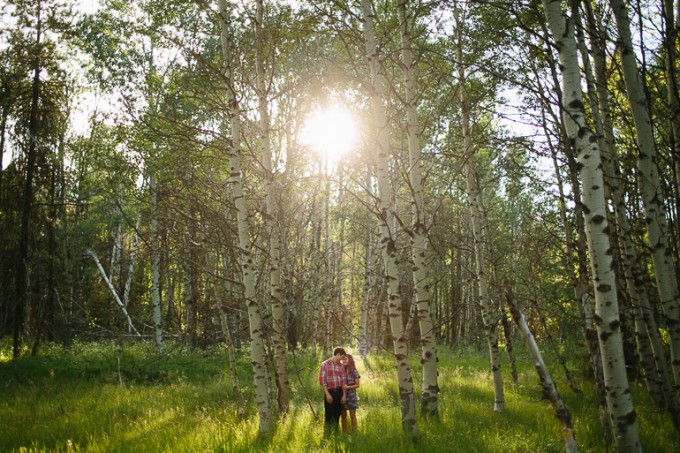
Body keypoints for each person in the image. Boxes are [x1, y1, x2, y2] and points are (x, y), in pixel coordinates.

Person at [319, 347, 347, 434]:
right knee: (329, 414)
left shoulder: (341, 366)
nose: (342, 359)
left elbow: (343, 381)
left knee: (337, 414)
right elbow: (322, 381)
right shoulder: (325, 364)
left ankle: (336, 432)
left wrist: (344, 395)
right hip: (329, 392)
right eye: (342, 357)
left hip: (339, 392)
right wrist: (327, 394)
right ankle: (327, 433)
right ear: (338, 354)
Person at [340, 354, 361, 433]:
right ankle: (345, 433)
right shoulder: (341, 370)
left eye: (345, 359)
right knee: (343, 415)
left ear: (350, 360)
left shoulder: (354, 371)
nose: (344, 361)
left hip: (351, 395)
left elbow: (357, 385)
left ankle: (354, 432)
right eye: (343, 359)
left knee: (352, 415)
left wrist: (347, 387)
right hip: (342, 395)